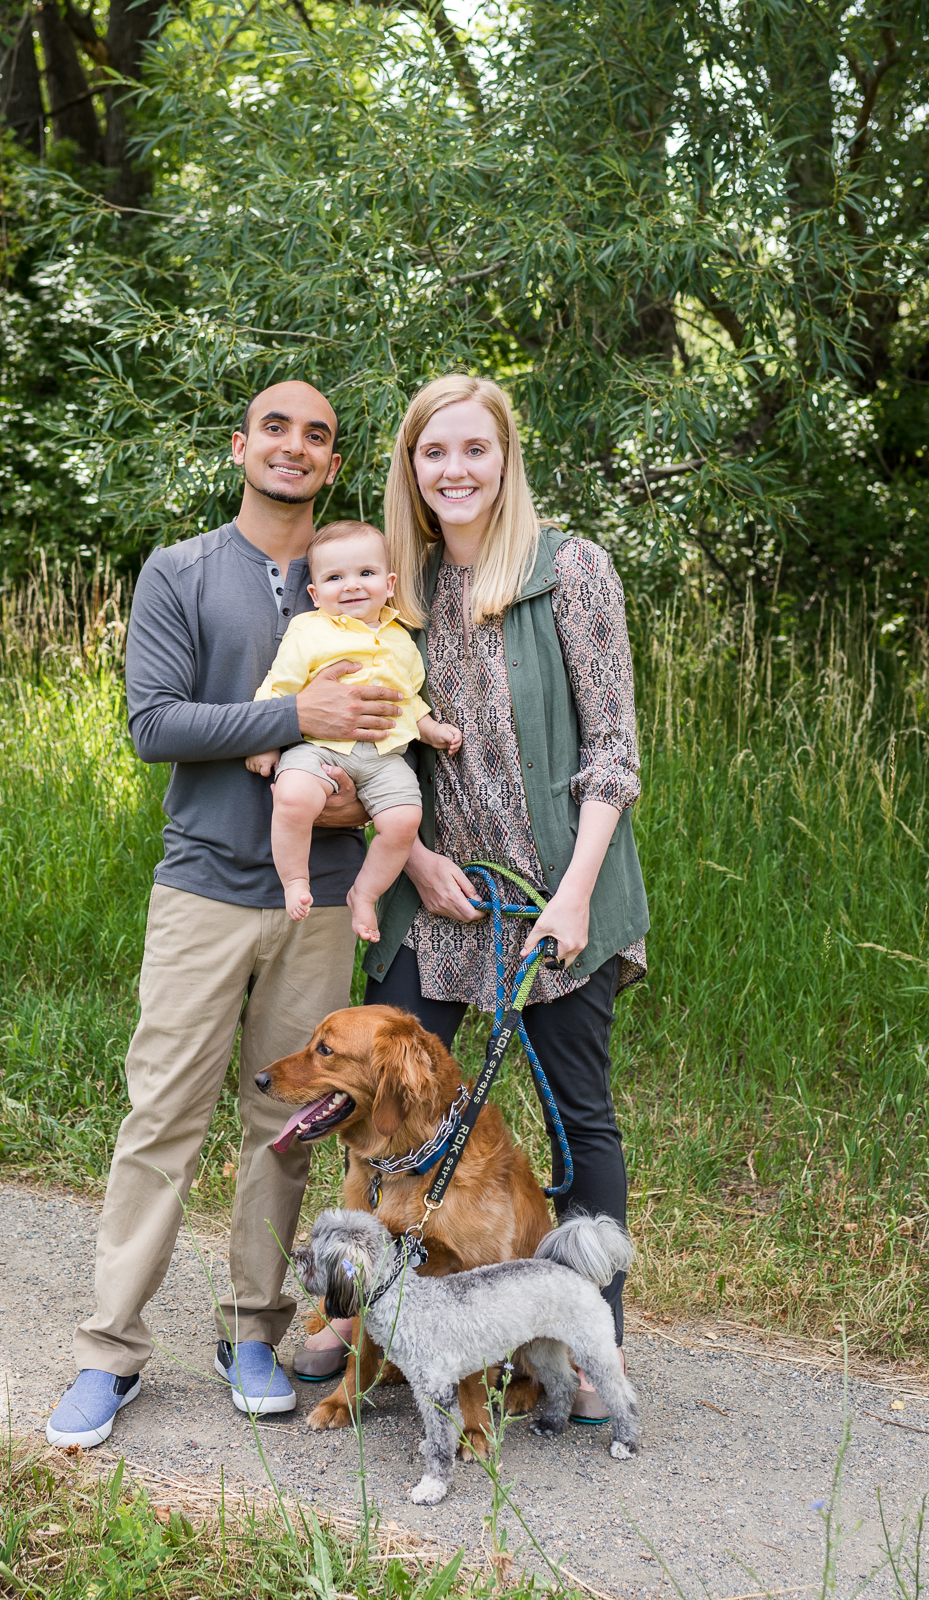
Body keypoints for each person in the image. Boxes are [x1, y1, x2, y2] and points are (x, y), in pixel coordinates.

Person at [46, 381, 406, 1447]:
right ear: (242, 446)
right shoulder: (184, 570)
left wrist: (358, 788)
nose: (296, 447)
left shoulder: (365, 580)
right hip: (204, 885)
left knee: (288, 1125)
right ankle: (108, 1351)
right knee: (162, 1118)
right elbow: (154, 722)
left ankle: (254, 1331)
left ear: (333, 463)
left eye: (319, 435)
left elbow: (391, 727)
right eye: (278, 429)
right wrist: (298, 712)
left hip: (326, 897)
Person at [310, 374, 650, 1416]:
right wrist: (412, 860)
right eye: (432, 453)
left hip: (555, 897)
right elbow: (364, 747)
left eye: (474, 449)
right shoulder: (395, 591)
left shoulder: (571, 570)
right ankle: (356, 1316)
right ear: (408, 468)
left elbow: (613, 751)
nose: (453, 470)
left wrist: (577, 894)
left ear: (507, 457)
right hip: (441, 897)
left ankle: (588, 1352)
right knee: (382, 1106)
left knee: (578, 1119)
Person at [246, 519, 461, 941]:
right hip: (320, 749)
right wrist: (266, 741)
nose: (351, 586)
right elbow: (281, 684)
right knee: (292, 797)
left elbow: (408, 699)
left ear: (389, 583)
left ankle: (364, 893)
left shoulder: (401, 639)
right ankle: (294, 879)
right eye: (334, 577)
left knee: (404, 820)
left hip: (384, 758)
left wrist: (431, 730)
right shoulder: (309, 630)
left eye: (366, 573)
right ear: (314, 593)